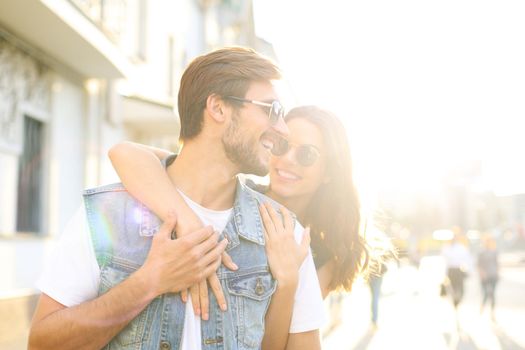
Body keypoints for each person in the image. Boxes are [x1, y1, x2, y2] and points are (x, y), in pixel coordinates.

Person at [28, 47, 326, 350]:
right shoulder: (108, 214)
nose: (283, 129)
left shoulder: (284, 235)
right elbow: (41, 345)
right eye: (272, 109)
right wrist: (149, 283)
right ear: (218, 108)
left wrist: (286, 284)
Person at [108, 106, 369, 349]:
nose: (288, 159)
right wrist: (189, 221)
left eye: (306, 154)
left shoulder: (322, 253)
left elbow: (271, 345)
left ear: (329, 172)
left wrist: (288, 281)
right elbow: (125, 153)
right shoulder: (231, 195)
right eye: (282, 145)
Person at [441, 233, 472, 309]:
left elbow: (467, 259)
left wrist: (469, 270)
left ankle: (456, 301)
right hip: (454, 270)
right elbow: (444, 261)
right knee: (456, 288)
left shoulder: (457, 248)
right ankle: (456, 301)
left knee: (457, 289)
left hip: (455, 270)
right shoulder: (448, 248)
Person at [478, 236, 499, 319]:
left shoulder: (494, 252)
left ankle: (492, 311)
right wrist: (482, 273)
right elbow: (478, 265)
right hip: (484, 277)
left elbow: (497, 263)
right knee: (486, 293)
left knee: (492, 294)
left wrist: (498, 273)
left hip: (493, 275)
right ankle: (482, 306)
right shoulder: (481, 253)